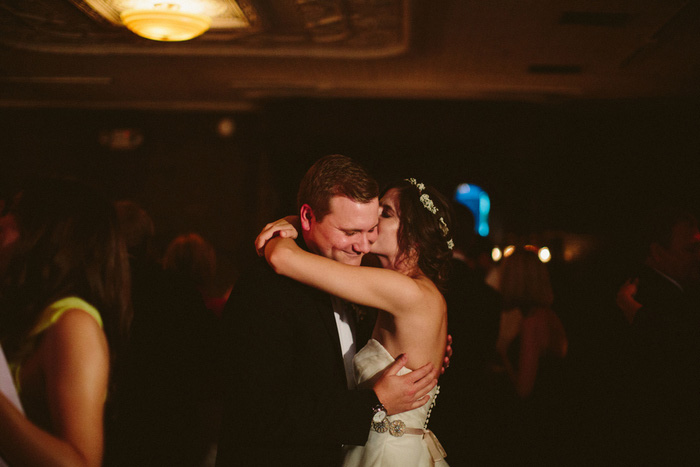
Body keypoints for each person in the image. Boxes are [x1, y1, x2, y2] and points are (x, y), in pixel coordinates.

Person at [215, 155, 441, 467]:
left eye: (372, 227)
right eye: (350, 232)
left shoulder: (361, 278)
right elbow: (259, 414)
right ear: (308, 217)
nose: (362, 245)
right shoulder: (266, 290)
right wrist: (373, 403)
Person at [0, 177, 131, 466]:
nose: (3, 220)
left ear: (45, 232)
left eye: (14, 213)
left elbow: (80, 462)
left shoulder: (73, 324)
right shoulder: (29, 313)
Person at [615, 205, 700, 463]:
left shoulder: (642, 295)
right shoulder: (662, 298)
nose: (698, 256)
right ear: (657, 252)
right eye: (690, 249)